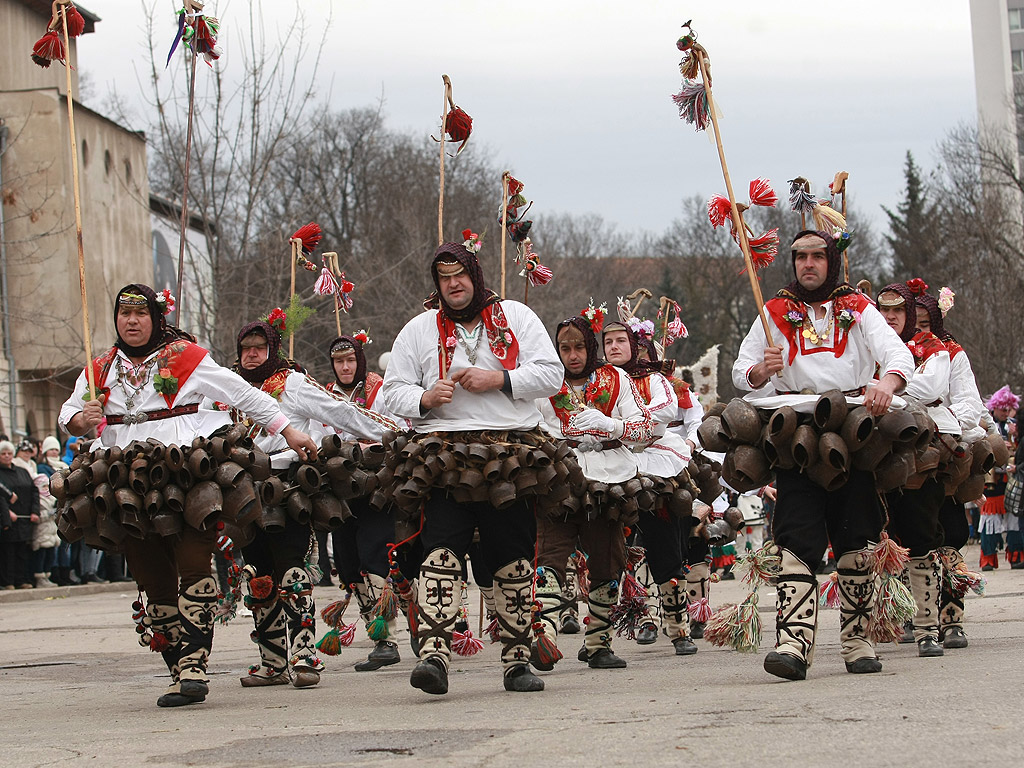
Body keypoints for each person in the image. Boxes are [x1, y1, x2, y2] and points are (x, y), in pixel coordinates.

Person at [59, 284, 318, 707]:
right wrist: (79, 418)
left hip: (186, 474)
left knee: (194, 564)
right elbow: (67, 412)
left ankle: (195, 667)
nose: (132, 321)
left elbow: (243, 393)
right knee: (151, 577)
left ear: (155, 318)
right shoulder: (100, 367)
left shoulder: (186, 357)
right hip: (127, 482)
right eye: (124, 314)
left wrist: (287, 429)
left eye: (140, 314)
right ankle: (178, 668)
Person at [383, 236, 563, 695]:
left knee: (513, 556)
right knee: (440, 554)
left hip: (509, 453)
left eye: (459, 275)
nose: (453, 284)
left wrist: (499, 378)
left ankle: (518, 661)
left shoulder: (517, 317)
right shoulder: (419, 329)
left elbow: (551, 373)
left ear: (475, 276)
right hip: (443, 454)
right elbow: (391, 391)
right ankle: (434, 657)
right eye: (444, 279)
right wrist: (424, 398)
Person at [733, 230, 913, 680]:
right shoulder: (772, 310)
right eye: (800, 257)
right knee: (795, 537)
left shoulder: (857, 308)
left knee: (857, 536)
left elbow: (897, 354)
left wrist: (885, 384)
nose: (807, 264)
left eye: (816, 256)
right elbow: (741, 371)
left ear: (831, 261)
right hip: (794, 427)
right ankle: (793, 645)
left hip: (852, 427)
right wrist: (760, 371)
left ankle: (858, 641)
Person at [231, 316, 393, 689]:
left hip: (289, 483)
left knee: (291, 569)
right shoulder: (229, 386)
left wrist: (391, 433)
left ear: (272, 350)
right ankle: (272, 661)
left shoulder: (291, 383)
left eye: (260, 348)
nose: (252, 355)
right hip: (243, 485)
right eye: (246, 349)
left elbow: (339, 411)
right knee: (258, 573)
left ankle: (305, 653)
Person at [533, 310, 653, 669]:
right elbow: (531, 425)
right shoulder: (545, 382)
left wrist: (611, 425)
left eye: (580, 347)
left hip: (609, 479)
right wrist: (555, 437)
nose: (572, 355)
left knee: (608, 558)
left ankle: (599, 642)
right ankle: (545, 636)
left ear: (591, 347)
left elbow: (645, 427)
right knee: (550, 555)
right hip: (561, 477)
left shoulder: (615, 377)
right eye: (565, 348)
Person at [603, 309, 701, 657]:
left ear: (633, 345)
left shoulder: (654, 379)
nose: (614, 346)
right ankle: (600, 638)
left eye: (620, 340)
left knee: (665, 549)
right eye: (608, 341)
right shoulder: (598, 380)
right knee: (609, 553)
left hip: (654, 464)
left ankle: (678, 629)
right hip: (609, 464)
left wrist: (623, 423)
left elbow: (665, 409)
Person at [876, 281, 954, 657]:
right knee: (880, 539)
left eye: (897, 311)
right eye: (884, 311)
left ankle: (928, 627)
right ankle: (890, 617)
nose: (890, 318)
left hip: (919, 453)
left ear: (910, 315)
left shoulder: (931, 348)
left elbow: (929, 387)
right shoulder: (867, 345)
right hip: (873, 452)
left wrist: (883, 386)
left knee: (921, 537)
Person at [323, 332, 408, 672]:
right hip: (341, 489)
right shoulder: (324, 396)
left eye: (350, 360)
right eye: (338, 362)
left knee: (376, 554)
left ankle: (388, 639)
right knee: (347, 561)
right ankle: (377, 632)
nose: (345, 367)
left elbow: (399, 426)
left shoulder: (382, 389)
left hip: (376, 486)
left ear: (360, 360)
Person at [915, 288, 989, 646]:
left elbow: (969, 402)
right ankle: (916, 615)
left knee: (953, 533)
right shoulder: (890, 353)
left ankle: (951, 617)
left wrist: (942, 427)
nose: (919, 328)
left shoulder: (953, 353)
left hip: (945, 449)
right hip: (902, 452)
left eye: (926, 322)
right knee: (910, 536)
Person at [36, 436, 75, 586]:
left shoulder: (62, 465)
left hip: (65, 507)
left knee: (63, 542)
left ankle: (66, 572)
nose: (53, 452)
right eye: (50, 449)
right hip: (51, 507)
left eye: (56, 450)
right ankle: (54, 573)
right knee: (49, 543)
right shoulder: (43, 468)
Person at [0, 440, 39, 589]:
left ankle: (21, 579)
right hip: (8, 519)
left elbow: (34, 491)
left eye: (9, 453)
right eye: (3, 454)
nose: (6, 456)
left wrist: (35, 511)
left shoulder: (22, 471)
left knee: (22, 551)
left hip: (24, 518)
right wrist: (6, 513)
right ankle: (7, 581)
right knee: (8, 552)